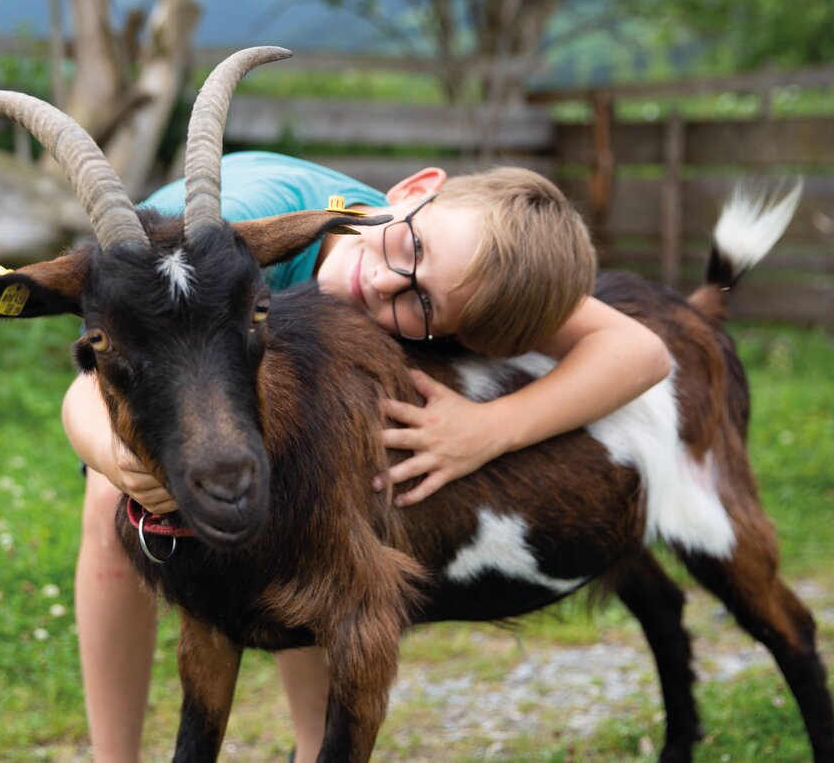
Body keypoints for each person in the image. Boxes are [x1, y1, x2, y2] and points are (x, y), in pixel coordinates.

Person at [63, 151, 672, 762]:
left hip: (267, 378)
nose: (385, 282)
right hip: (158, 328)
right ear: (411, 190)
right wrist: (121, 465)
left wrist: (491, 427)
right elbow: (86, 385)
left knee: (310, 510)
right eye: (411, 249)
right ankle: (114, 756)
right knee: (110, 506)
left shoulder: (474, 260)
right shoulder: (243, 231)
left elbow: (640, 351)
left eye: (424, 306)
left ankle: (310, 745)